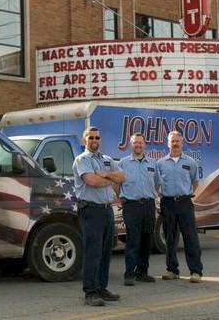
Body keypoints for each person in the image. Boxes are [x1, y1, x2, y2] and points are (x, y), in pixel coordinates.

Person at [72, 126, 126, 307]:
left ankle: (102, 288)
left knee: (105, 252)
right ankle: (90, 292)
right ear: (84, 140)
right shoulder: (82, 160)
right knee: (93, 252)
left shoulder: (107, 160)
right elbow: (92, 181)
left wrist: (107, 174)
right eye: (90, 137)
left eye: (97, 137)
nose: (94, 140)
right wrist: (111, 180)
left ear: (100, 140)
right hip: (91, 211)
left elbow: (123, 176)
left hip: (106, 210)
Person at [156, 130, 203, 283]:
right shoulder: (160, 163)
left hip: (184, 202)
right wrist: (160, 200)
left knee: (190, 237)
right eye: (172, 141)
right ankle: (172, 270)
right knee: (170, 238)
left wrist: (187, 194)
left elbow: (195, 182)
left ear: (182, 143)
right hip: (168, 203)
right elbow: (157, 184)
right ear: (167, 144)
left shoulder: (190, 162)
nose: (175, 143)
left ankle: (195, 271)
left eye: (177, 141)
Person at [118, 133, 159, 286]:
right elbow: (117, 184)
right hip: (131, 206)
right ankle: (129, 274)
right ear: (131, 144)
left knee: (147, 240)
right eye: (135, 143)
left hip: (148, 205)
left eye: (140, 143)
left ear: (145, 144)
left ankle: (142, 272)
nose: (138, 145)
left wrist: (150, 196)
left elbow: (157, 183)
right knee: (133, 240)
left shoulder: (152, 163)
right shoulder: (123, 163)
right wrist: (122, 196)